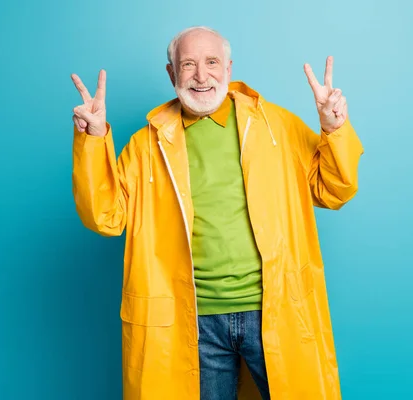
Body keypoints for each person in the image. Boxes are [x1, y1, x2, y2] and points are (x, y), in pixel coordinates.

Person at [70, 26, 364, 400]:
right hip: (193, 323)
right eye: (188, 64)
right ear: (171, 74)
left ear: (228, 67)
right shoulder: (146, 145)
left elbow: (334, 189)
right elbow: (105, 215)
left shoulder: (278, 126)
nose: (201, 75)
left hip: (276, 313)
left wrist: (333, 127)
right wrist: (94, 139)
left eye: (211, 62)